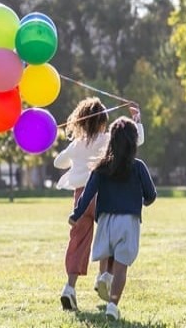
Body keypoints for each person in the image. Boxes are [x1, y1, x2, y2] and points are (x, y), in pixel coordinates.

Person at [54, 97, 143, 311]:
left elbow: (58, 162)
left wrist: (75, 157)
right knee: (110, 238)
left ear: (81, 122)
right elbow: (136, 139)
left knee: (78, 242)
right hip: (103, 196)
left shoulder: (77, 144)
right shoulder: (107, 140)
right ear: (103, 121)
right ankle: (104, 277)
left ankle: (70, 288)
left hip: (80, 199)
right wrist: (137, 119)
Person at [68, 116, 157, 320]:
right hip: (129, 221)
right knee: (121, 267)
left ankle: (104, 276)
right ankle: (112, 305)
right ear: (134, 142)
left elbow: (87, 194)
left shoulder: (101, 167)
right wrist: (142, 202)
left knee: (109, 256)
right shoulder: (138, 166)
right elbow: (151, 195)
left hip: (106, 220)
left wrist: (76, 214)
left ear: (111, 140)